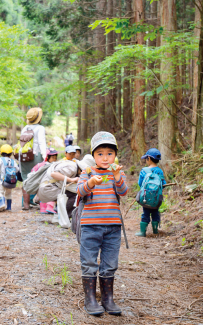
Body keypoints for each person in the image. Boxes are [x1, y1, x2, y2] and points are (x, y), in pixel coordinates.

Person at [77, 131, 128, 316]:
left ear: (115, 155)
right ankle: (90, 298)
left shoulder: (117, 173)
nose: (105, 158)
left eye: (109, 153)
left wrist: (116, 176)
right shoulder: (87, 172)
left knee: (110, 262)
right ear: (93, 156)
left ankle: (107, 298)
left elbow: (123, 191)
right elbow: (80, 191)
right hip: (90, 226)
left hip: (113, 227)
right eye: (100, 154)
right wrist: (90, 182)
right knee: (89, 260)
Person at [135, 148, 166, 237]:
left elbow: (140, 183)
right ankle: (155, 231)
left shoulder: (144, 171)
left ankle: (142, 232)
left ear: (148, 158)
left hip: (145, 197)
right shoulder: (159, 171)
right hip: (157, 198)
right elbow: (163, 184)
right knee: (155, 212)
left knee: (146, 213)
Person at [20, 107, 47, 210]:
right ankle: (40, 204)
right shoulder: (40, 128)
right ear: (39, 119)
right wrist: (45, 157)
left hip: (23, 156)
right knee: (39, 178)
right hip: (36, 156)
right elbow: (41, 142)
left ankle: (26, 204)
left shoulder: (25, 128)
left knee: (26, 179)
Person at [31, 148, 59, 214]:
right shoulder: (50, 165)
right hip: (48, 184)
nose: (54, 159)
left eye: (55, 158)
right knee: (53, 193)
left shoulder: (40, 165)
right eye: (52, 157)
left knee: (43, 196)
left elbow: (33, 170)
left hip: (41, 185)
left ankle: (43, 209)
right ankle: (49, 206)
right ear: (47, 157)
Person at [0, 144, 19, 212]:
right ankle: (9, 207)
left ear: (1, 153)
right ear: (11, 154)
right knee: (8, 193)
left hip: (3, 180)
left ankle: (2, 203)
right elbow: (17, 169)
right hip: (11, 181)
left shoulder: (0, 159)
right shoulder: (13, 161)